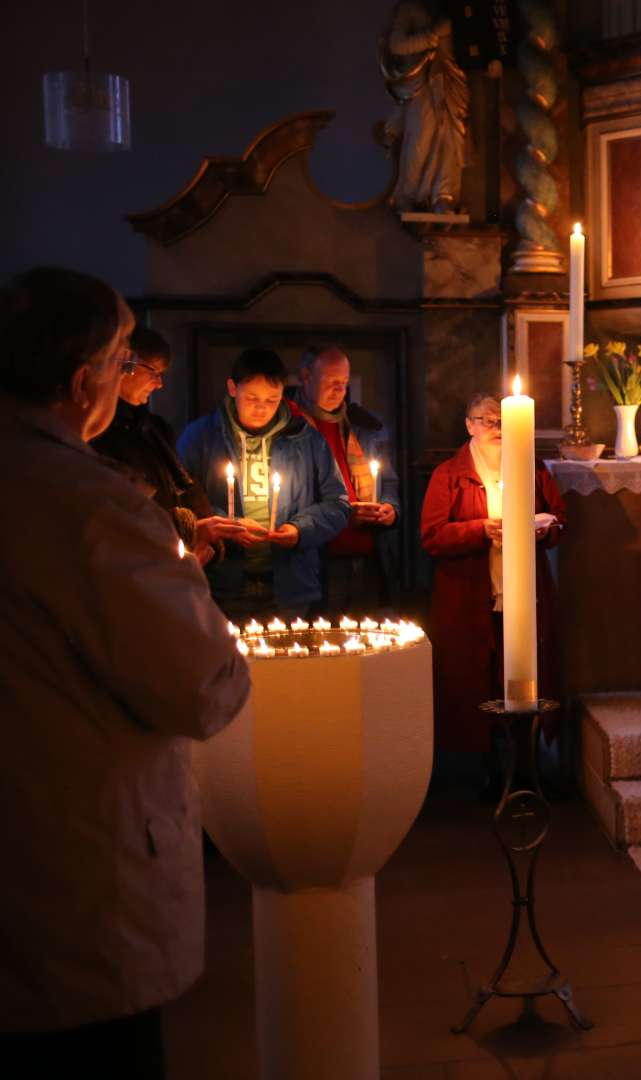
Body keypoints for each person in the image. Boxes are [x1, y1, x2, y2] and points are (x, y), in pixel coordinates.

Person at [0, 268, 251, 1073]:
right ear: (83, 384)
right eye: (119, 361)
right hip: (70, 877)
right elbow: (205, 684)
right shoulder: (89, 504)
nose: (124, 377)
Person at [421, 392, 566, 790]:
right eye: (487, 420)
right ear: (469, 425)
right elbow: (432, 536)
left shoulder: (531, 468)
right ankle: (482, 769)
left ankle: (527, 766)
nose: (497, 428)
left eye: (502, 421)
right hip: (470, 595)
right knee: (477, 679)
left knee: (523, 676)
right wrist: (480, 529)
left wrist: (544, 527)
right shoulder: (450, 474)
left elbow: (559, 519)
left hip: (526, 594)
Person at [176, 348, 351, 620]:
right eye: (252, 398)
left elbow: (338, 504)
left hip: (291, 586)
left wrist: (299, 529)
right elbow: (179, 503)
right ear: (233, 388)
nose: (261, 408)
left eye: (272, 399)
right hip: (220, 584)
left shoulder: (306, 439)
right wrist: (223, 524)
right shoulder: (200, 438)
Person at [90, 326, 240, 566]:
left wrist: (201, 538)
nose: (159, 384)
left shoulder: (154, 429)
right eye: (153, 371)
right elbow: (124, 515)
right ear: (125, 364)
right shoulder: (98, 432)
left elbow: (183, 487)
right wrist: (188, 531)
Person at [289, 344, 401, 612]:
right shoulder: (290, 426)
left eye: (344, 383)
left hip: (370, 557)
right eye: (331, 382)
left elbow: (387, 481)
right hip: (319, 561)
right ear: (306, 376)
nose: (340, 391)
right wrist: (341, 514)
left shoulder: (363, 426)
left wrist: (389, 510)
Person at [381, 0, 469, 214]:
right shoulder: (410, 8)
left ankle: (443, 195)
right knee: (420, 137)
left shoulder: (454, 9)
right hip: (422, 82)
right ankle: (408, 195)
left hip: (450, 79)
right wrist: (433, 34)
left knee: (449, 137)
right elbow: (396, 45)